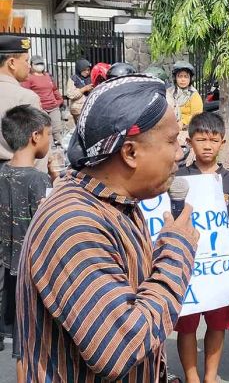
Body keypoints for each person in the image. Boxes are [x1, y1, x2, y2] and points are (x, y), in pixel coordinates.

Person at [17, 75, 199, 380]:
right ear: (129, 152)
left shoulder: (116, 204)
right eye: (171, 140)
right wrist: (176, 253)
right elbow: (119, 348)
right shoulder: (73, 224)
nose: (180, 152)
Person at [174, 112, 229, 383]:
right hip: (188, 268)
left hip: (219, 266)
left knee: (217, 326)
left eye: (213, 140)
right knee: (187, 327)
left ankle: (210, 377)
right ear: (190, 141)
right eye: (201, 139)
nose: (207, 145)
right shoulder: (178, 180)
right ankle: (192, 377)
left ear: (223, 143)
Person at [0, 105, 53, 372]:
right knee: (30, 348)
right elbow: (47, 226)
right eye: (48, 135)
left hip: (6, 272)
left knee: (20, 348)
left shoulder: (1, 173)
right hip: (32, 275)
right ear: (35, 136)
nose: (49, 141)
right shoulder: (39, 180)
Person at [0, 36, 40, 167]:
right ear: (11, 63)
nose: (29, 66)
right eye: (26, 60)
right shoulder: (26, 97)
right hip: (15, 176)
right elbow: (37, 147)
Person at [20, 55, 63, 145]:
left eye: (41, 63)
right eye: (37, 64)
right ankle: (50, 149)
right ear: (31, 65)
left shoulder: (47, 75)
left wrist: (59, 100)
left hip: (53, 106)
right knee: (47, 131)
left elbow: (54, 89)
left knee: (57, 129)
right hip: (40, 108)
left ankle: (60, 147)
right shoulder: (28, 78)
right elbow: (25, 93)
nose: (40, 65)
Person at [166, 60, 203, 131]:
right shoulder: (169, 92)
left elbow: (196, 116)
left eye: (186, 77)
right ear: (175, 78)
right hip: (169, 127)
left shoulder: (194, 95)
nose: (183, 80)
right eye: (180, 76)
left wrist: (182, 122)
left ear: (190, 79)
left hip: (188, 129)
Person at [65, 58, 93, 123]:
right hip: (78, 110)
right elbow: (70, 95)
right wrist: (83, 89)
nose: (87, 72)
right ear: (79, 69)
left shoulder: (90, 78)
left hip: (90, 109)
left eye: (88, 70)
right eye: (84, 70)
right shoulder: (73, 79)